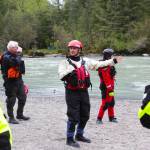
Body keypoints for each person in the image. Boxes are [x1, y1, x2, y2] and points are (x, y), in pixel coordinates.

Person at [58, 40, 122, 148]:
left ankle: (79, 135)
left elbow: (100, 64)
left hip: (83, 92)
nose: (72, 50)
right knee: (73, 116)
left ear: (79, 50)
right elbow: (61, 75)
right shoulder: (64, 63)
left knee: (85, 115)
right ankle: (69, 139)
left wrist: (113, 61)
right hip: (71, 92)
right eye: (71, 48)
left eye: (75, 48)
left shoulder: (86, 61)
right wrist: (71, 71)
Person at [1, 41, 30, 124]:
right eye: (16, 47)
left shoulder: (15, 55)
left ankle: (19, 114)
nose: (17, 48)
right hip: (10, 82)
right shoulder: (6, 57)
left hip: (18, 80)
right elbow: (16, 63)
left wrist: (17, 54)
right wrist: (19, 53)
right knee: (11, 99)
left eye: (17, 47)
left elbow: (19, 64)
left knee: (23, 97)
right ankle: (11, 117)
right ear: (10, 48)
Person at [96, 48, 118, 124]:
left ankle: (111, 117)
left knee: (111, 102)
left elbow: (112, 73)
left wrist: (114, 76)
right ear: (108, 56)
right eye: (111, 55)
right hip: (106, 88)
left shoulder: (110, 64)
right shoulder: (103, 66)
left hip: (111, 87)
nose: (112, 56)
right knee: (105, 103)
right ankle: (99, 119)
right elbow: (106, 78)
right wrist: (109, 88)